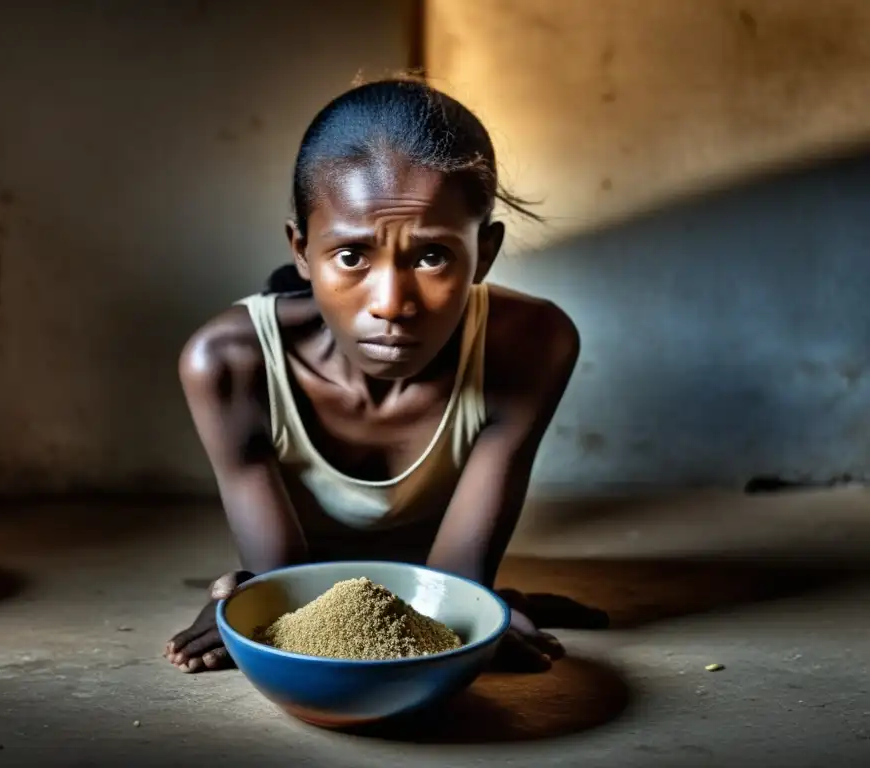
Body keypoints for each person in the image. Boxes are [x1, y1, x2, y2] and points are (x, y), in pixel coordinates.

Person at [164, 77, 607, 675]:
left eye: (432, 256)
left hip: (429, 583)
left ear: (487, 253)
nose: (392, 303)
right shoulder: (228, 365)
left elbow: (453, 593)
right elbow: (291, 598)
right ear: (301, 250)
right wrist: (249, 611)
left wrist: (475, 614)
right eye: (351, 256)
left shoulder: (529, 345)